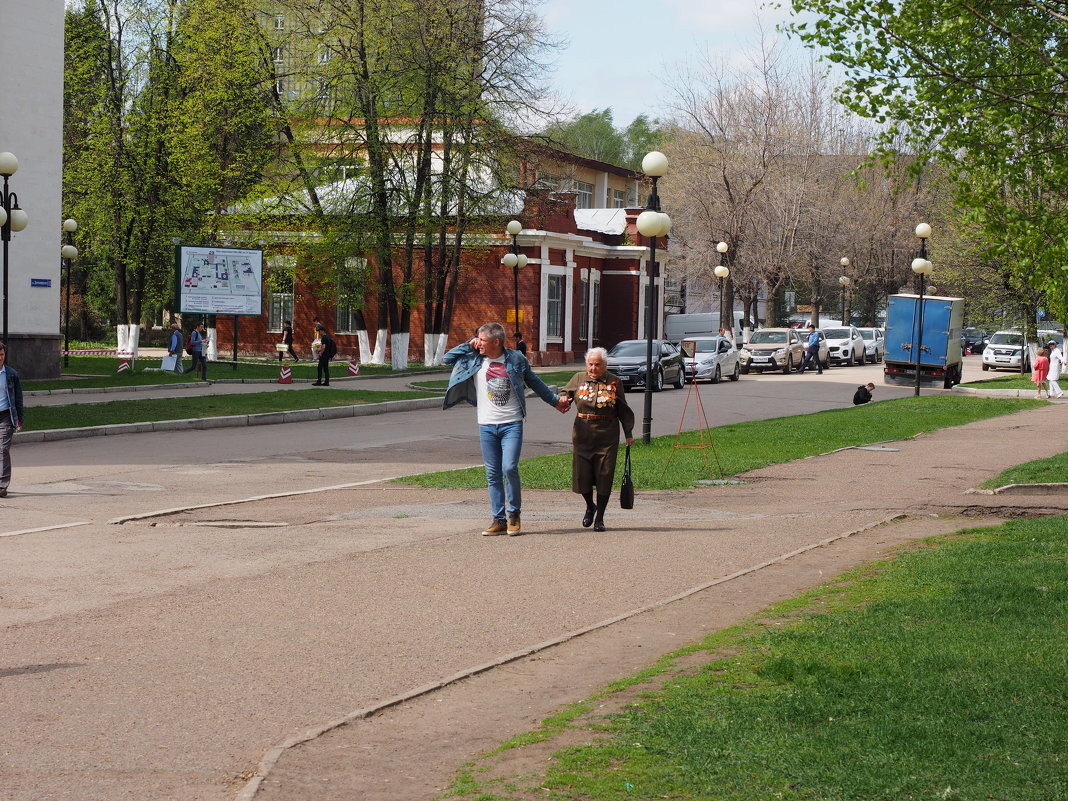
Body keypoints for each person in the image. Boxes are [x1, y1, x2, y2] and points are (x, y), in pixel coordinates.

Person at [443, 321, 570, 536]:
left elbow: (535, 382)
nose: (479, 343)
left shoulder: (515, 359)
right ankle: (498, 519)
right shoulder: (475, 357)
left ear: (496, 342)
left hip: (511, 423)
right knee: (492, 473)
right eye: (478, 339)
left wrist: (555, 401)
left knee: (509, 467)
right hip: (486, 424)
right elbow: (446, 359)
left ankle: (514, 515)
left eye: (482, 339)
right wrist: (468, 344)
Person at [560, 347, 635, 532]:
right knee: (582, 474)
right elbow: (565, 392)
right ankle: (589, 506)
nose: (593, 368)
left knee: (605, 474)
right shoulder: (578, 378)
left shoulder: (615, 382)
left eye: (597, 364)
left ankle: (600, 517)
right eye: (591, 364)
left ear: (605, 365)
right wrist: (563, 397)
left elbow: (623, 408)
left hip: (607, 435)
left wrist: (628, 433)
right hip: (583, 434)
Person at [0, 342, 25, 498]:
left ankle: (2, 485)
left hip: (5, 416)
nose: (0, 358)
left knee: (2, 450)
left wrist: (19, 420)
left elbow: (18, 399)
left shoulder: (11, 374)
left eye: (2, 355)